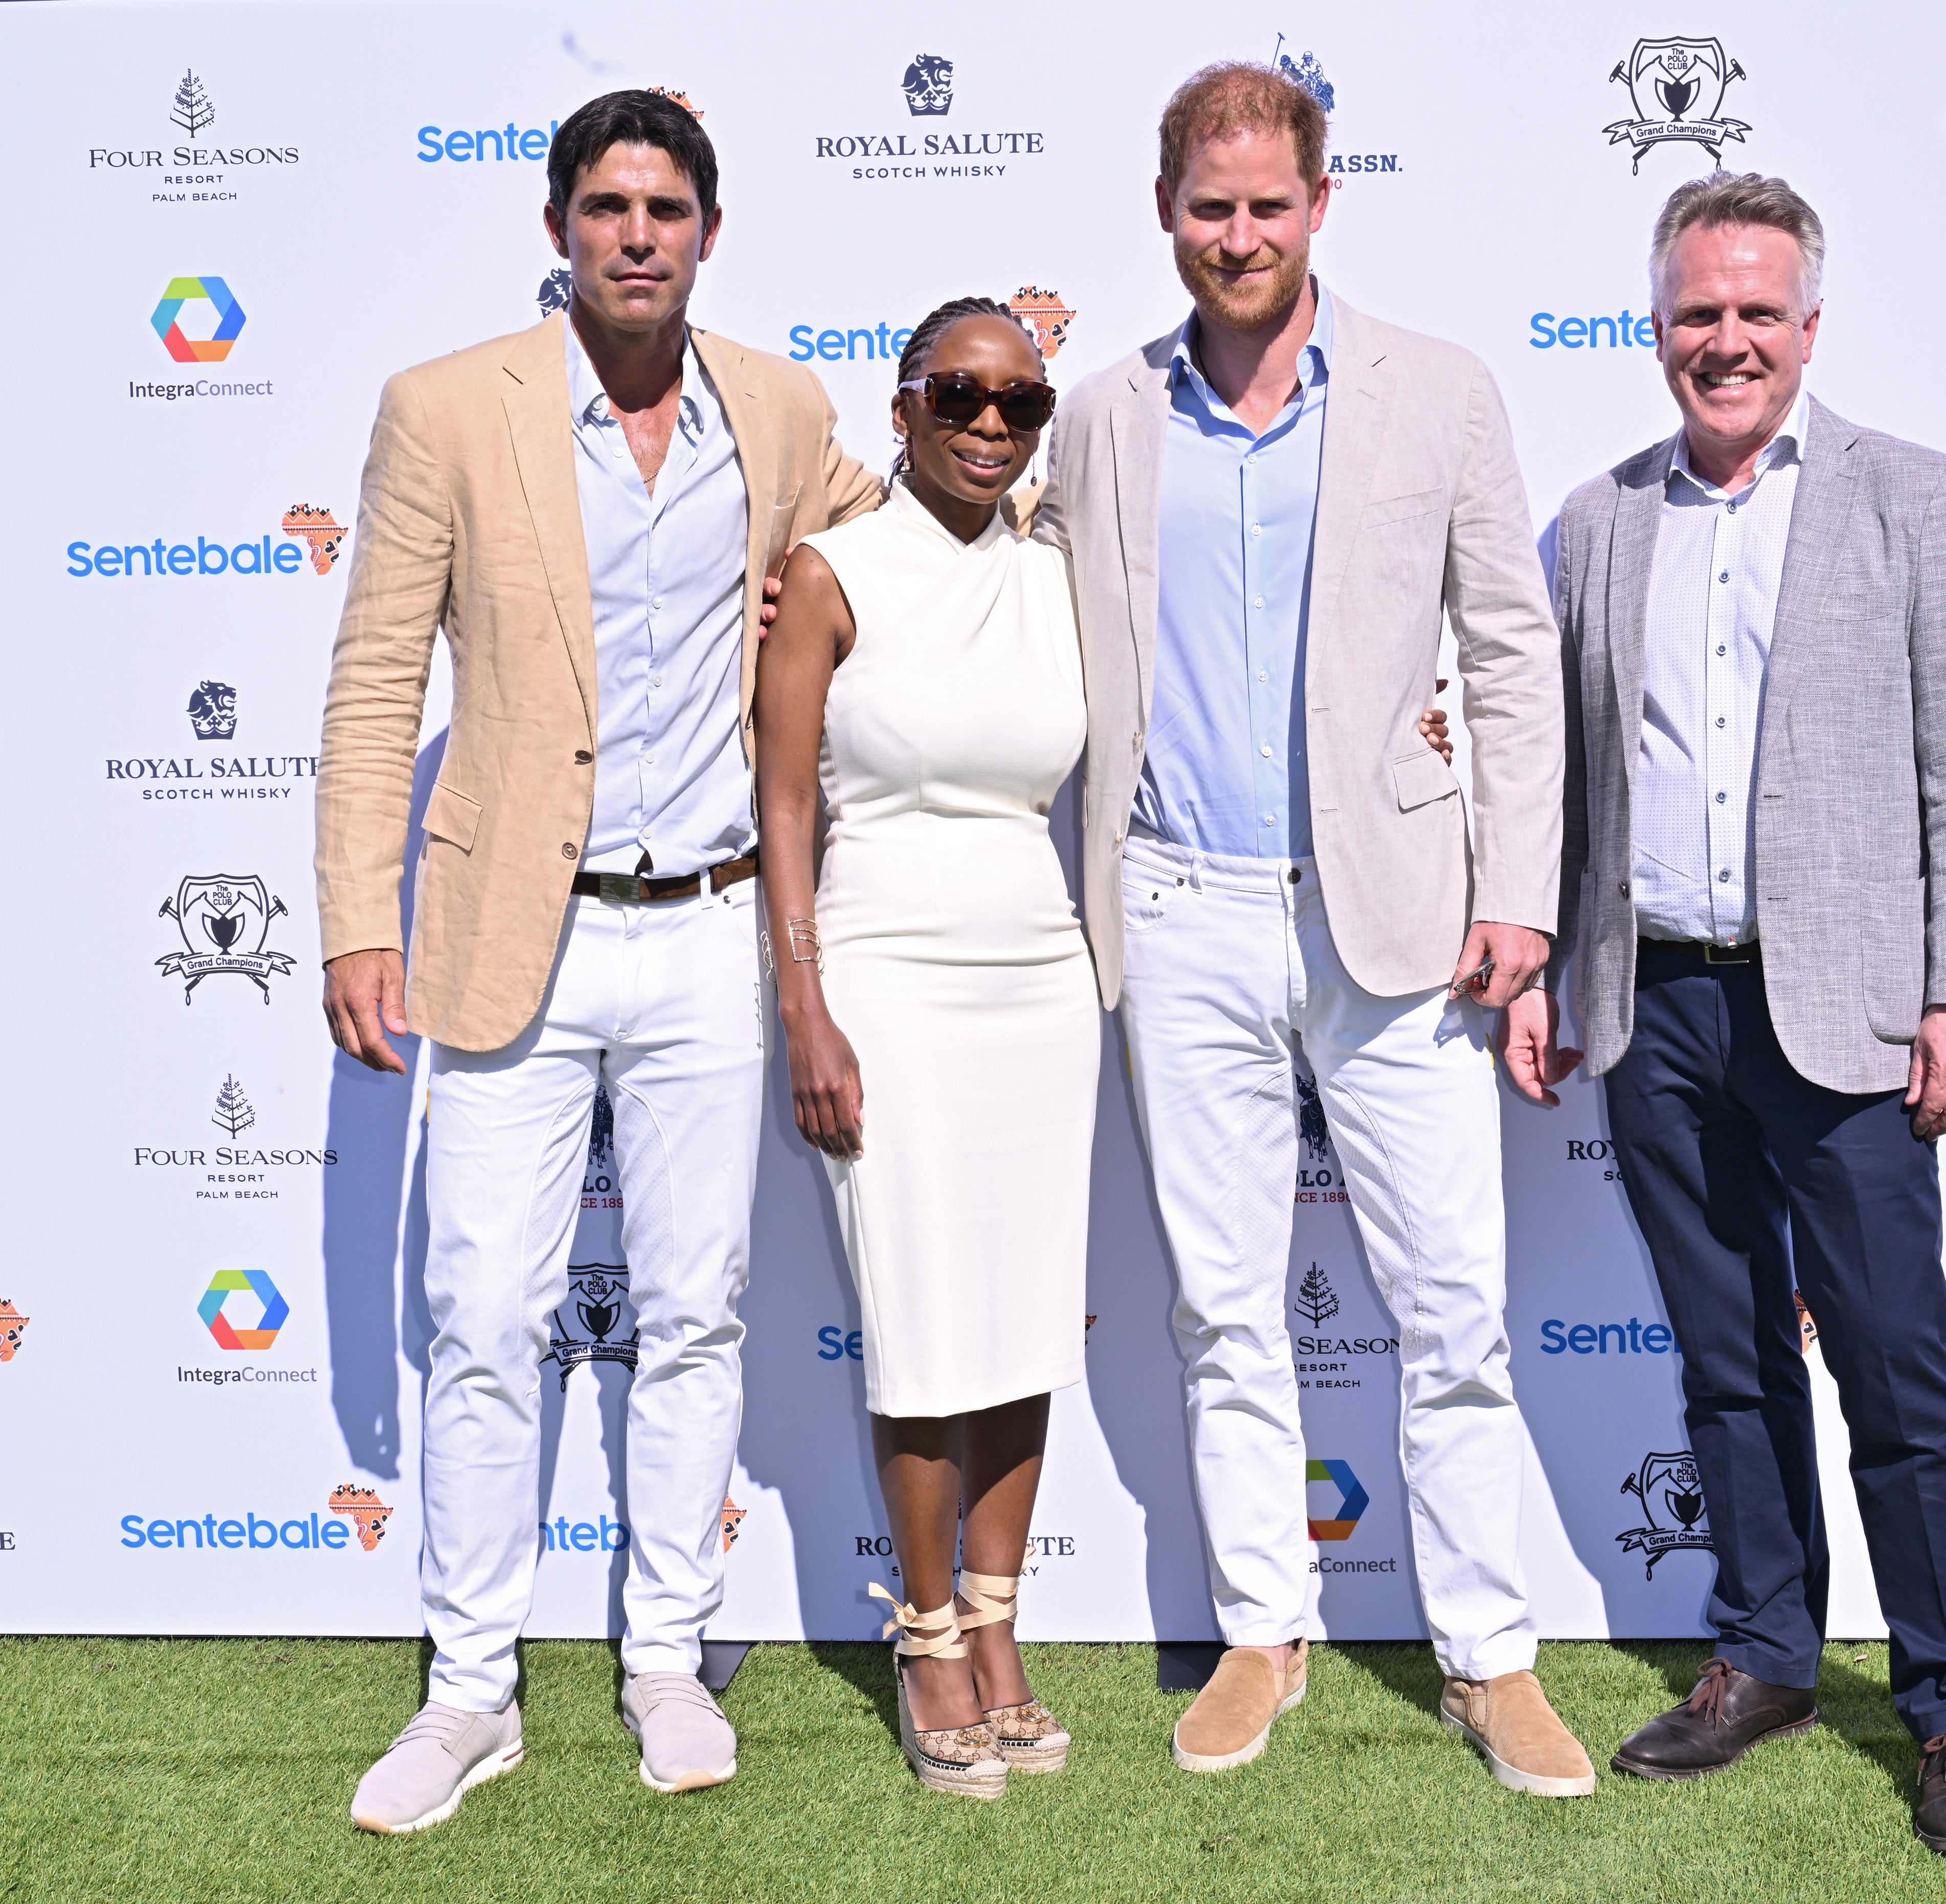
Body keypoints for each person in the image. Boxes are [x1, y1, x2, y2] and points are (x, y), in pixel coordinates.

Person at [313, 88, 880, 1833]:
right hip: (512, 940)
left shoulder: (780, 408)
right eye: (608, 205)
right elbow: (375, 674)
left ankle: (664, 1657)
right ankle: (471, 1689)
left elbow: (923, 526)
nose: (639, 233)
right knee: (488, 1315)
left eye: (669, 206)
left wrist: (1053, 460)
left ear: (711, 231)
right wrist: (356, 912)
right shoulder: (444, 408)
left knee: (698, 1311)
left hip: (713, 927)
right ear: (559, 227)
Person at [1032, 62, 1589, 1796]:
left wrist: (1521, 901)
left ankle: (1490, 1653)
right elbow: (995, 576)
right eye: (1212, 206)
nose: (1242, 234)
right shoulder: (1106, 414)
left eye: (1271, 204)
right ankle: (1261, 1628)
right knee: (1220, 1305)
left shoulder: (1437, 391)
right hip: (1180, 904)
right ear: (1166, 214)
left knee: (1455, 1309)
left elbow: (1510, 652)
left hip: (1404, 917)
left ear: (1322, 205)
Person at [1512, 172, 1946, 1857]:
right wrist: (1549, 971)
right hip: (1658, 1004)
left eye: (1756, 311)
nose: (1724, 340)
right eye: (1695, 312)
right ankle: (1767, 1655)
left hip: (1855, 1018)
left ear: (1811, 324)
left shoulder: (1914, 497)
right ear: (1655, 324)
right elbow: (1568, 773)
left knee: (1896, 1362)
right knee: (1726, 1362)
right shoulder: (1596, 521)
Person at [753, 298, 1089, 1799]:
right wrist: (803, 1000)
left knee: (1021, 1316)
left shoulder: (1066, 571)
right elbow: (782, 809)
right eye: (960, 392)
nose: (990, 425)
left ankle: (1005, 1629)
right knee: (920, 1316)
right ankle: (927, 1623)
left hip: (1039, 971)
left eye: (1022, 403)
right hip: (880, 967)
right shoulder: (831, 573)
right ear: (901, 406)